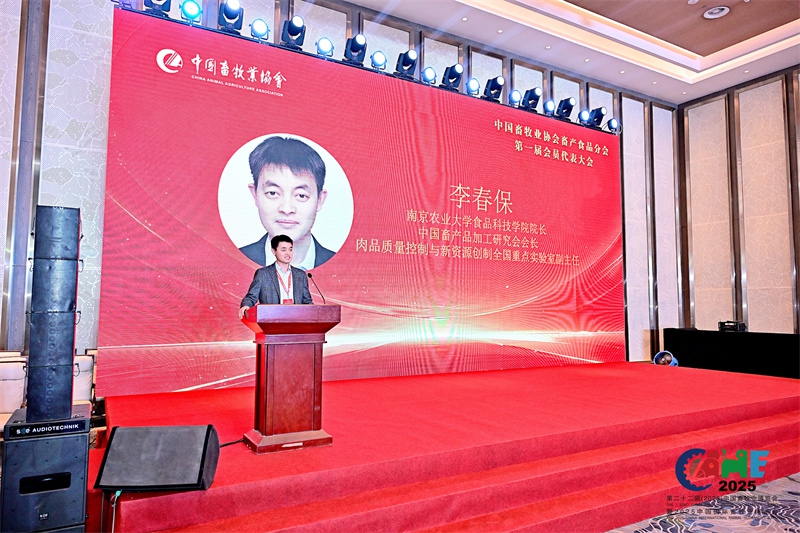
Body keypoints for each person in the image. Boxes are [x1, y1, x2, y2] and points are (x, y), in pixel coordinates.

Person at [239, 136, 335, 269]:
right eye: (273, 193)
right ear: (255, 194)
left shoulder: (345, 267)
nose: (286, 209)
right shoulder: (231, 262)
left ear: (320, 200)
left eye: (301, 195)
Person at [239, 235, 313, 318]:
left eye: (290, 249)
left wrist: (314, 311)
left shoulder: (300, 275)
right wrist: (246, 306)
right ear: (274, 251)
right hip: (270, 319)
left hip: (296, 319)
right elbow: (251, 297)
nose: (288, 253)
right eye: (283, 250)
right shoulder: (263, 274)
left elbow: (307, 301)